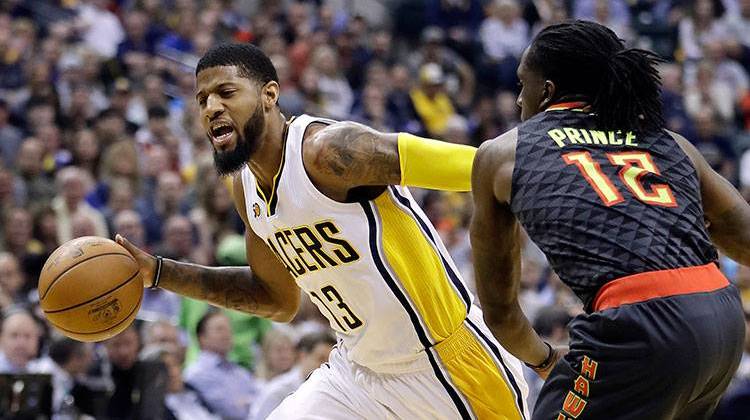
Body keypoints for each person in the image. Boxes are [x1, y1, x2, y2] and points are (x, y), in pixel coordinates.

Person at [117, 42, 528, 419]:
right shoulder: (242, 187)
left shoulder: (328, 152)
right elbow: (277, 300)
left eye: (226, 93)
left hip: (449, 365)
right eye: (202, 99)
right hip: (356, 373)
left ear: (269, 95)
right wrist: (159, 273)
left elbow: (483, 166)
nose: (211, 108)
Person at [470, 20, 746, 419]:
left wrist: (546, 359)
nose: (517, 101)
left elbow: (500, 314)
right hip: (723, 320)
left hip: (640, 328)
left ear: (546, 91)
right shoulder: (669, 142)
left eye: (521, 85)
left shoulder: (502, 154)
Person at [249, 331, 336, 420]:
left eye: (330, 361)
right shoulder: (278, 391)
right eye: (321, 359)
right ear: (303, 356)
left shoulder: (333, 389)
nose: (326, 364)